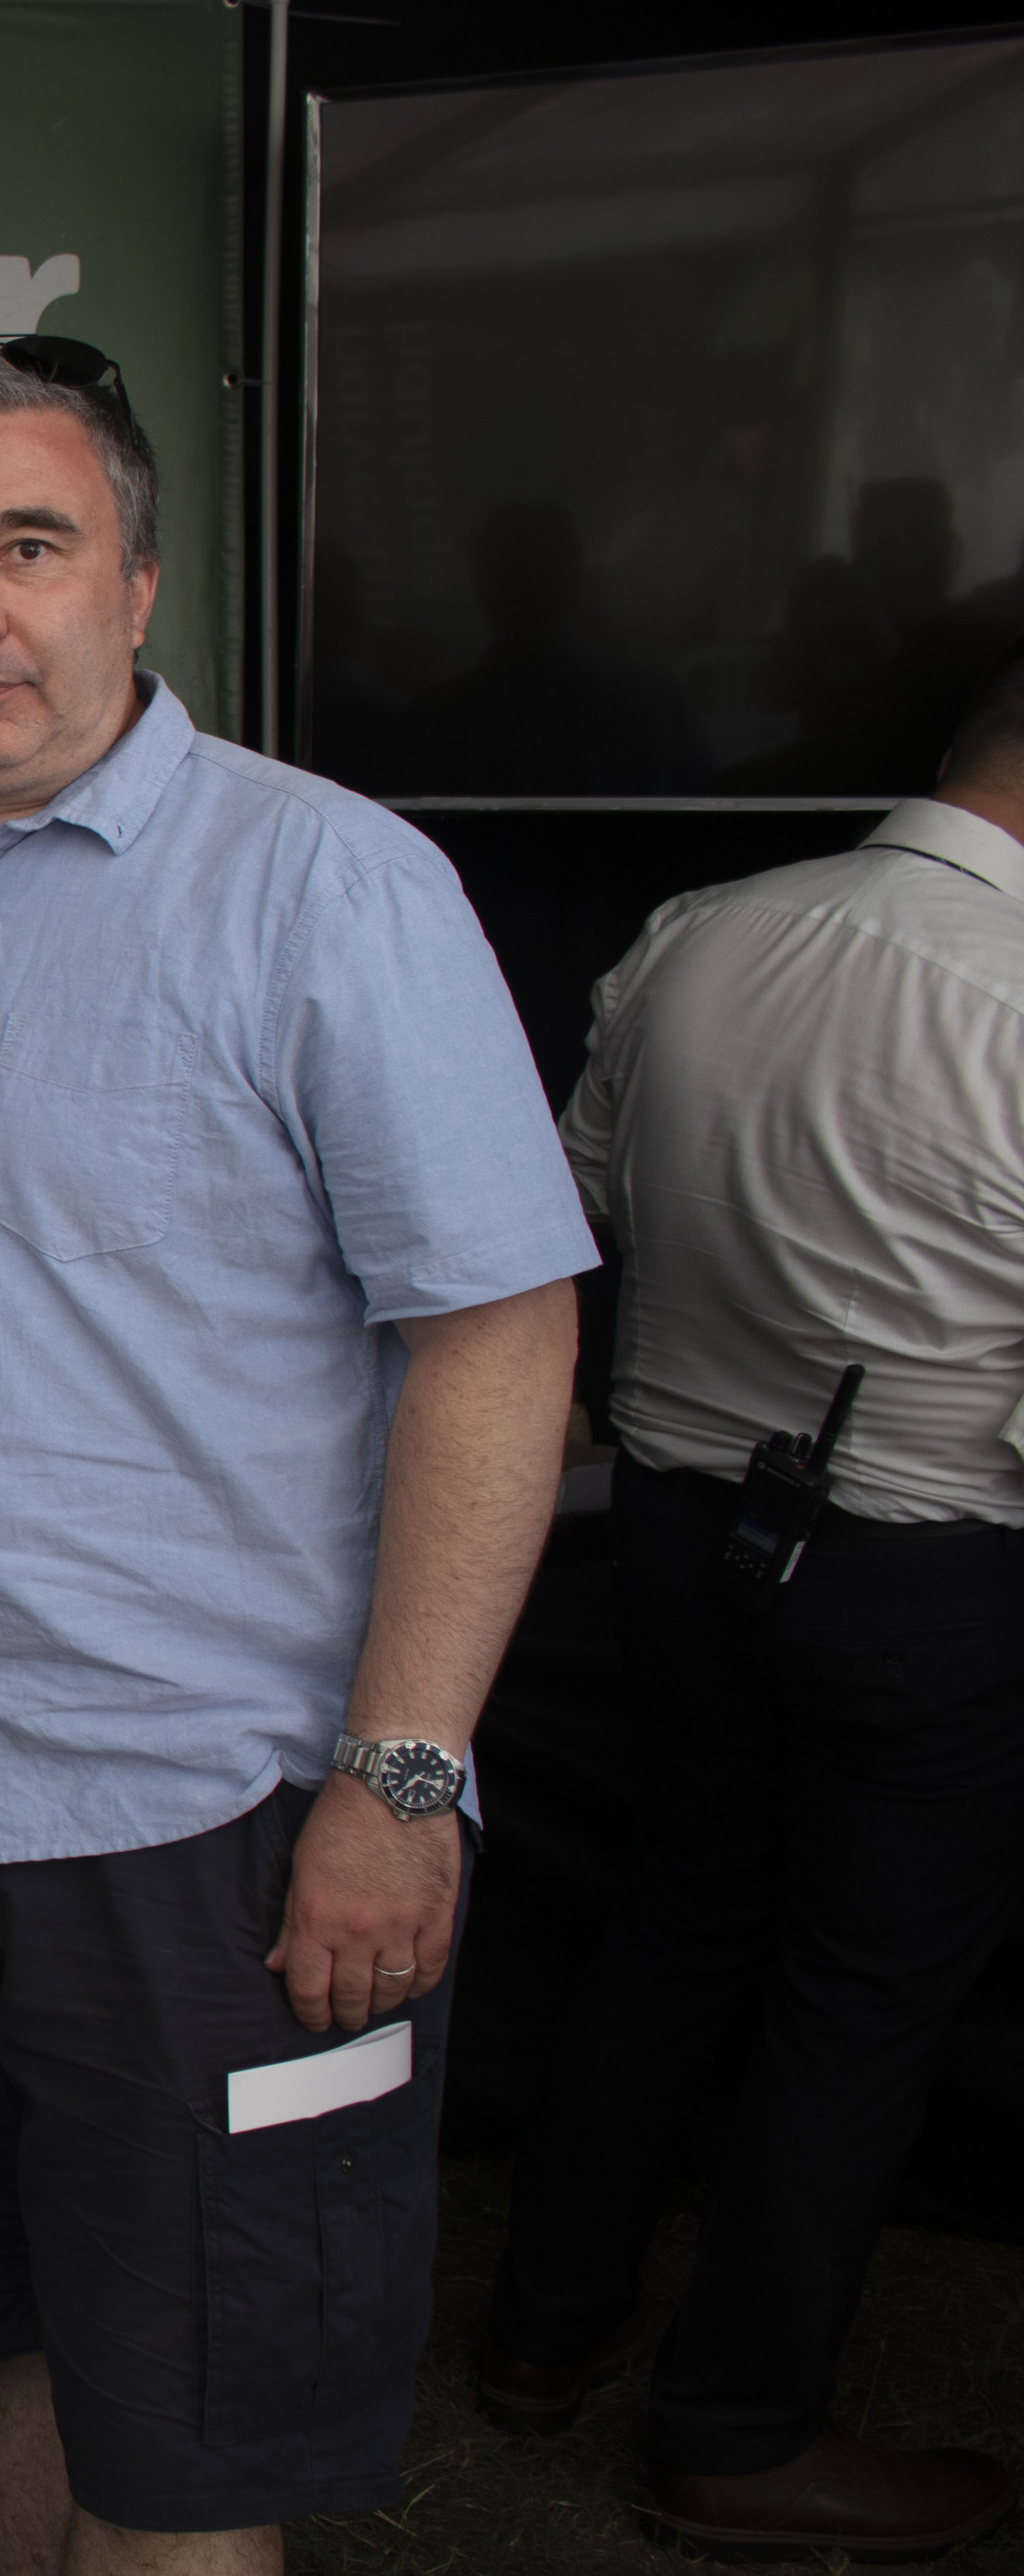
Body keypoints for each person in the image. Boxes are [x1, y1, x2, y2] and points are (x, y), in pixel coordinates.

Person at [0, 338, 593, 2575]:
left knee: (195, 2451)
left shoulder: (328, 886)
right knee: (13, 2350)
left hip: (212, 1836)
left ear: (138, 576)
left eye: (30, 546)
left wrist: (401, 1779)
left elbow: (500, 1340)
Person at [479, 647, 1024, 2563]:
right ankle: (739, 2426)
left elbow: (571, 1213)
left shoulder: (702, 931)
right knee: (860, 2001)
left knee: (677, 1920)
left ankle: (544, 2333)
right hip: (926, 1576)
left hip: (686, 1545)